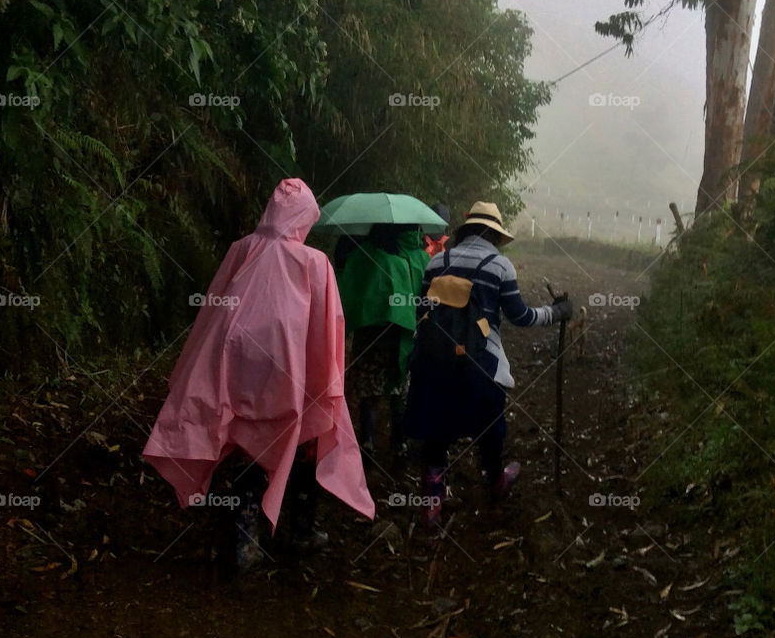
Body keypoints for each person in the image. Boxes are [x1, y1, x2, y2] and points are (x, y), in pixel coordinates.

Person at [143, 178, 375, 570]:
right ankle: (299, 531)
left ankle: (244, 536)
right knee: (304, 444)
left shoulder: (242, 249)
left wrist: (199, 365)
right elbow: (327, 326)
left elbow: (213, 310)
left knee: (248, 444)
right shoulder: (314, 263)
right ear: (306, 217)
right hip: (292, 373)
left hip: (236, 368)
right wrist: (327, 381)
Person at [403, 200, 571, 527]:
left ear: (465, 231)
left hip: (433, 359)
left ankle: (432, 503)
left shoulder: (436, 262)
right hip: (480, 363)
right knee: (489, 428)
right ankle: (496, 483)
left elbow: (420, 311)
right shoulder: (500, 266)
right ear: (494, 235)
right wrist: (557, 313)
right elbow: (520, 317)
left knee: (436, 429)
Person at [335, 223, 429, 462]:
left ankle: (367, 442)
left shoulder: (362, 256)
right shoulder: (412, 259)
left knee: (369, 388)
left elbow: (349, 288)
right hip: (399, 336)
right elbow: (422, 297)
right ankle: (399, 443)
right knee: (399, 387)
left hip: (368, 336)